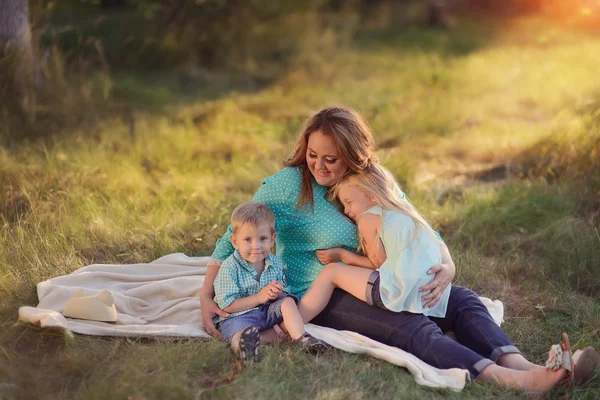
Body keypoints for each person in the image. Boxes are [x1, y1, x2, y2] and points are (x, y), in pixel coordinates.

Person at [200, 106, 597, 392]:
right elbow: (232, 233)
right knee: (409, 327)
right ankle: (515, 381)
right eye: (312, 155)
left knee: (463, 302)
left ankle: (523, 363)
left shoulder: (373, 180)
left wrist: (449, 266)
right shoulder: (289, 184)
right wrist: (206, 296)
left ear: (354, 156)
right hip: (319, 290)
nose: (319, 167)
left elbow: (416, 222)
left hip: (385, 273)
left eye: (331, 160)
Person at [296, 162, 452, 323]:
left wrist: (342, 255)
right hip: (430, 291)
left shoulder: (368, 218)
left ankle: (292, 324)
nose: (346, 211)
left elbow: (377, 263)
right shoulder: (400, 211)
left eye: (349, 202)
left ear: (371, 195)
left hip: (401, 292)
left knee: (331, 271)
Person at [213, 201, 328, 362]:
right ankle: (245, 348)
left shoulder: (275, 263)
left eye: (262, 239)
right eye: (248, 239)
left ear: (272, 239)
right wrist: (259, 298)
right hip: (238, 316)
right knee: (240, 333)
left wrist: (278, 293)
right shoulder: (229, 267)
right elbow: (227, 305)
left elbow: (283, 293)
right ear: (235, 241)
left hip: (266, 311)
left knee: (287, 302)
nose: (256, 246)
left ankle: (301, 339)